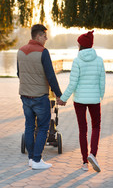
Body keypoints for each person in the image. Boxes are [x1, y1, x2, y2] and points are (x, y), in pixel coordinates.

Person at [17, 24, 65, 170]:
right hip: (39, 96)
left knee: (30, 126)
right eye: (45, 36)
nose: (46, 38)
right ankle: (37, 160)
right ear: (38, 36)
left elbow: (19, 73)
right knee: (43, 127)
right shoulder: (43, 52)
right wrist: (59, 95)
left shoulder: (20, 51)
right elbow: (51, 76)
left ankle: (31, 159)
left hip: (25, 96)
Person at [58, 30, 105, 172]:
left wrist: (63, 99)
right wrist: (99, 96)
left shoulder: (77, 61)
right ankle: (93, 154)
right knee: (96, 127)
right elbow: (102, 81)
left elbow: (73, 83)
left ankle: (85, 162)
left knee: (82, 129)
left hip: (79, 100)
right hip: (94, 99)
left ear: (81, 46)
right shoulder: (99, 60)